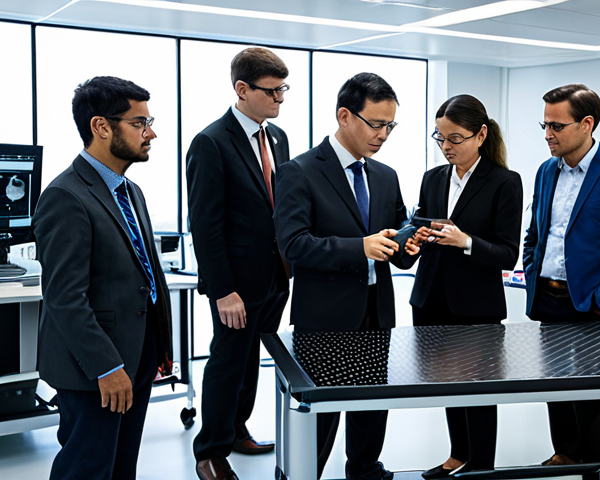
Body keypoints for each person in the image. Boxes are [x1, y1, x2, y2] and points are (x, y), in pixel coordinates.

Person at [273, 72, 419, 480]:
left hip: (376, 315)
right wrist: (360, 247)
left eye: (390, 125)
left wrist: (409, 244)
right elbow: (294, 245)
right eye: (376, 124)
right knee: (320, 421)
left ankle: (365, 470)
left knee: (372, 410)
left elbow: (392, 243)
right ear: (344, 116)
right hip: (325, 322)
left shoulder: (385, 175)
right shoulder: (298, 172)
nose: (384, 135)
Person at [33, 76, 172, 480]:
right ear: (101, 127)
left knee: (120, 466)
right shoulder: (66, 196)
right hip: (96, 368)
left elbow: (145, 276)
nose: (151, 133)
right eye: (139, 123)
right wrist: (106, 367)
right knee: (87, 469)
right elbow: (64, 298)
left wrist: (159, 347)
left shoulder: (131, 191)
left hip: (136, 357)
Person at [523, 84, 600, 467]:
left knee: (594, 393)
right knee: (555, 386)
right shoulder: (546, 171)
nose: (547, 135)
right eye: (544, 125)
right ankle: (565, 453)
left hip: (593, 305)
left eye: (556, 126)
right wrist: (532, 273)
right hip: (548, 298)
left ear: (586, 124)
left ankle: (593, 466)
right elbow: (535, 234)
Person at [403, 94, 523, 478]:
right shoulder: (432, 177)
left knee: (480, 393)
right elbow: (419, 238)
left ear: (481, 134)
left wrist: (466, 241)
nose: (446, 147)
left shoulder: (505, 182)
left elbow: (507, 255)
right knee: (447, 386)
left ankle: (480, 468)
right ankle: (458, 456)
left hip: (476, 305)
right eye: (439, 138)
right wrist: (411, 241)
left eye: (455, 138)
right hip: (430, 298)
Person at [187, 47, 291, 480]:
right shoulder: (211, 142)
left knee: (252, 360)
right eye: (272, 92)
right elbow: (204, 226)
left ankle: (236, 429)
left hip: (275, 276)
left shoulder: (278, 138)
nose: (279, 101)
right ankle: (210, 450)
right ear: (242, 89)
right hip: (235, 284)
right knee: (229, 361)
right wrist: (222, 289)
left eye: (283, 91)